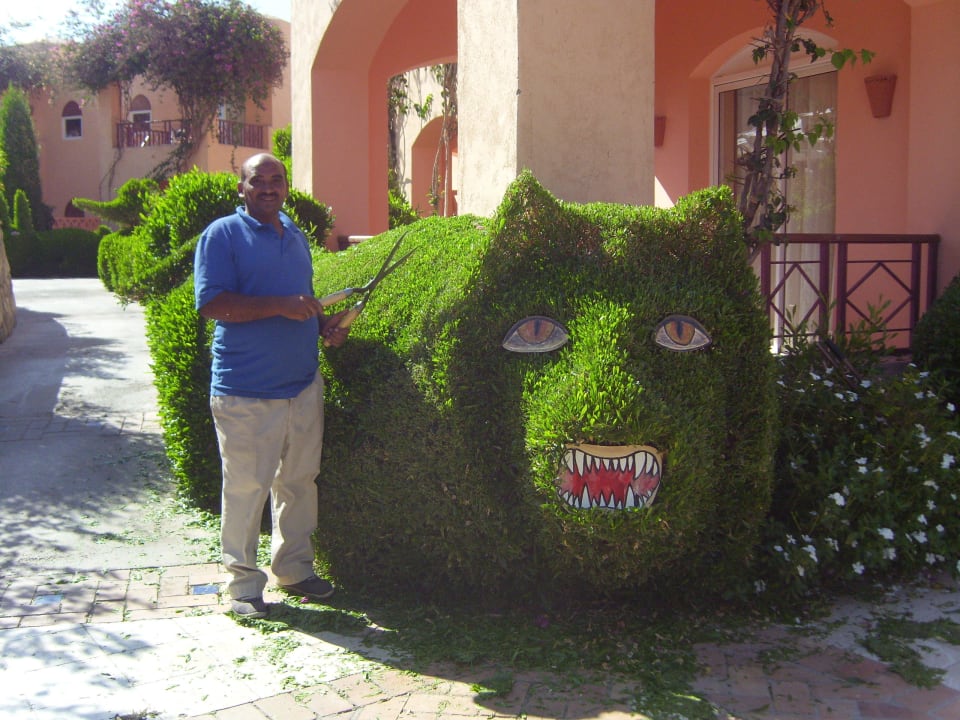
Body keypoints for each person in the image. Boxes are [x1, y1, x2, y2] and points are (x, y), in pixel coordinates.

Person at [194, 153, 350, 618]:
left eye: (275, 179)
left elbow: (300, 303)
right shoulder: (222, 234)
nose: (267, 187)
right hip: (246, 389)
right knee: (247, 489)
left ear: (286, 186)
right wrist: (281, 305)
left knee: (299, 483)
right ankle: (243, 586)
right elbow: (212, 303)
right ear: (240, 188)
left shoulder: (294, 233)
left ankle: (294, 569)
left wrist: (323, 327)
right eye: (256, 180)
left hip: (301, 385)